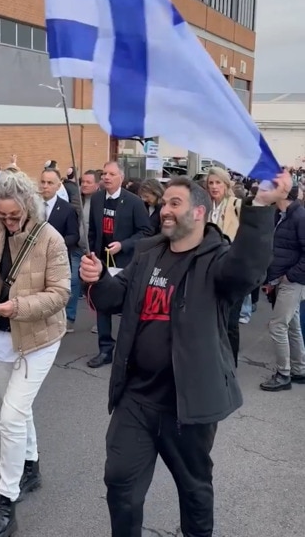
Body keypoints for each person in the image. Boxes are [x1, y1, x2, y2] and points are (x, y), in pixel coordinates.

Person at [80, 174, 287, 537]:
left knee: (194, 489)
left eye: (175, 203)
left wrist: (262, 207)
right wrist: (97, 278)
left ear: (200, 212)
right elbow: (115, 297)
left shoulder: (217, 259)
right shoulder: (147, 254)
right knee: (120, 484)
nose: (165, 210)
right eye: (164, 204)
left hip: (187, 407)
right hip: (137, 398)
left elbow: (246, 270)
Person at [0, 170, 71, 537]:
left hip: (39, 339)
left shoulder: (50, 240)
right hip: (0, 335)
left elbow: (60, 293)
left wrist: (18, 307)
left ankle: (6, 502)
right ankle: (32, 467)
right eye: (1, 215)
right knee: (17, 409)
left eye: (14, 216)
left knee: (10, 416)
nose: (8, 222)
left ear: (29, 208)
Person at [87, 161, 152, 368]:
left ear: (121, 178)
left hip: (125, 263)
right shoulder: (97, 199)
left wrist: (123, 245)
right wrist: (91, 253)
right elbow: (93, 231)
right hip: (102, 263)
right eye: (104, 173)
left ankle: (129, 352)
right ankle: (105, 350)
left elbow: (146, 232)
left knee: (129, 308)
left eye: (111, 174)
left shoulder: (133, 202)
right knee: (102, 306)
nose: (106, 177)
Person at [260, 185, 305, 391]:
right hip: (281, 279)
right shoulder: (279, 214)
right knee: (292, 325)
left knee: (277, 326)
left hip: (291, 281)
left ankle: (283, 373)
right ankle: (299, 369)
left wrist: (290, 276)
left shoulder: (299, 216)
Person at [206, 166, 243, 365]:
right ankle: (215, 362)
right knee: (212, 320)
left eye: (218, 182)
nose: (214, 187)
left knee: (230, 322)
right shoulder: (205, 207)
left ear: (226, 184)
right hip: (209, 270)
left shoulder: (237, 204)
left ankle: (230, 364)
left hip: (232, 270)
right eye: (211, 183)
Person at [66, 170, 99, 332]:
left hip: (95, 251)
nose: (84, 185)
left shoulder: (101, 202)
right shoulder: (76, 200)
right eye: (82, 182)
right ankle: (69, 319)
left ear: (97, 185)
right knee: (72, 282)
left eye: (88, 182)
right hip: (78, 249)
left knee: (98, 287)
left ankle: (101, 322)